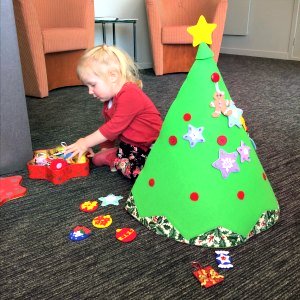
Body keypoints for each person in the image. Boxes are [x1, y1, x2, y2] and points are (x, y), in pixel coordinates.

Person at [65, 45, 163, 181]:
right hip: (131, 145)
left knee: (145, 177)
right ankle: (113, 155)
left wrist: (85, 142)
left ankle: (115, 158)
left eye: (93, 85)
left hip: (151, 145)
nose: (90, 91)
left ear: (113, 76)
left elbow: (112, 128)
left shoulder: (130, 93)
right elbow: (110, 127)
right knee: (98, 159)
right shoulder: (109, 101)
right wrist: (105, 147)